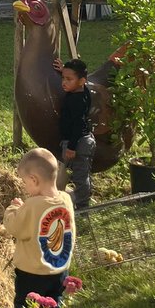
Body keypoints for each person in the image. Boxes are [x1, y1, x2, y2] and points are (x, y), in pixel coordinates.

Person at [3, 147, 76, 308]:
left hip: (32, 273)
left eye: (26, 182)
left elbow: (14, 227)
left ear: (34, 180)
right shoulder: (66, 199)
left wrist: (14, 208)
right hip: (59, 270)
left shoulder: (32, 205)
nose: (26, 188)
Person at [51, 56, 95, 210]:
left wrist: (71, 147)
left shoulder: (77, 101)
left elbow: (78, 124)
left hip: (78, 143)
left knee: (80, 176)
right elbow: (77, 78)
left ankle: (83, 207)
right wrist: (65, 69)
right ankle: (83, 196)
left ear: (81, 81)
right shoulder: (82, 90)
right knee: (80, 172)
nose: (64, 82)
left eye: (69, 79)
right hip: (80, 141)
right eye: (63, 78)